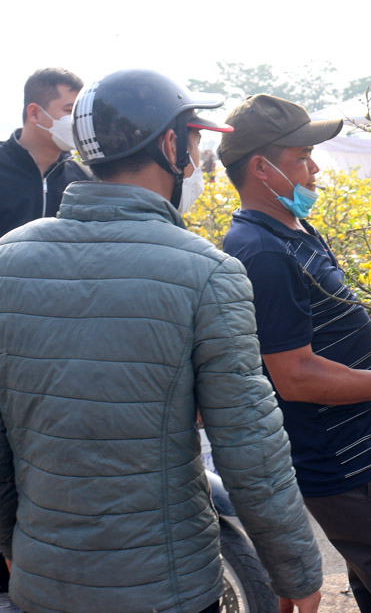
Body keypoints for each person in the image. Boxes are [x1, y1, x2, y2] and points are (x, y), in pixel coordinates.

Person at [0, 70, 324, 613]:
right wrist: (294, 570)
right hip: (168, 590)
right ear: (172, 146)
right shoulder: (206, 273)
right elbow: (249, 447)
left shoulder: (8, 260)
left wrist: (13, 542)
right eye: (195, 142)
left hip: (43, 584)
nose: (197, 162)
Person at [218, 94, 371, 613]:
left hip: (365, 448)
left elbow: (334, 336)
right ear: (261, 168)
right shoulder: (262, 254)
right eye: (301, 157)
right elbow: (296, 374)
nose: (314, 168)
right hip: (341, 467)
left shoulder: (294, 232)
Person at [0, 68, 92, 237]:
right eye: (69, 110)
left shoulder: (82, 181)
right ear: (34, 113)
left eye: (81, 112)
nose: (78, 119)